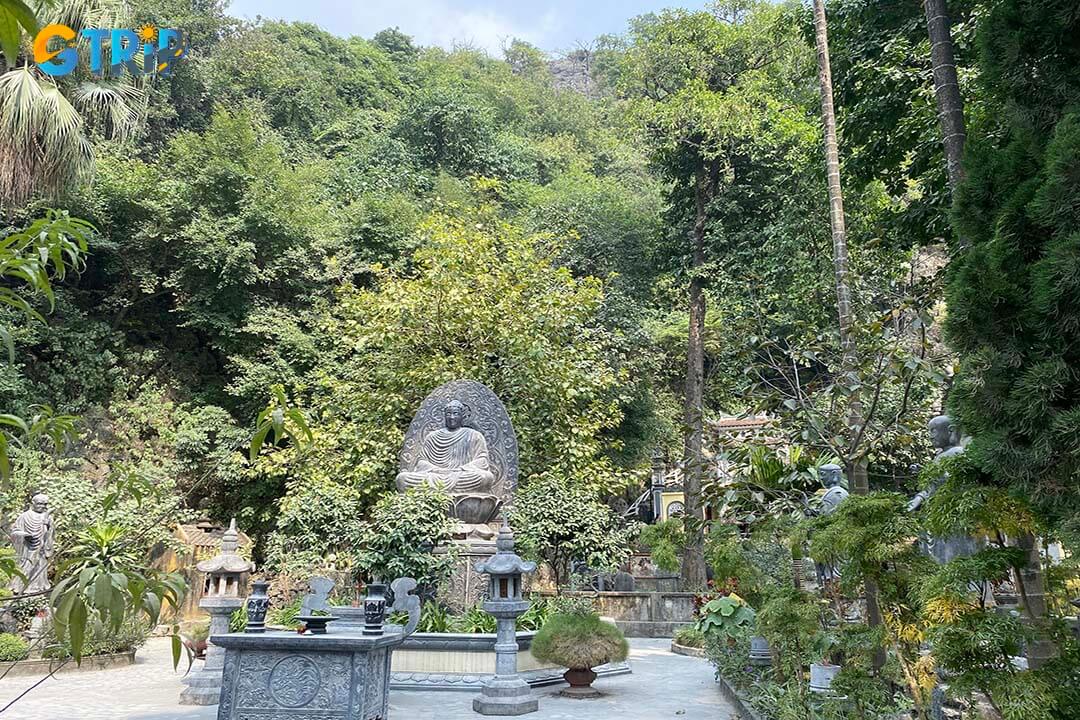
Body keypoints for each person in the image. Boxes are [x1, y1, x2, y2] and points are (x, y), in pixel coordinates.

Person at [396, 399, 496, 493]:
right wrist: (436, 469)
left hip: (460, 474)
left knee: (485, 477)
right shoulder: (432, 436)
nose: (452, 417)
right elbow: (421, 461)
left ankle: (440, 490)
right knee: (402, 478)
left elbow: (482, 460)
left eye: (455, 413)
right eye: (448, 414)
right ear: (444, 416)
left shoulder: (474, 435)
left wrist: (462, 469)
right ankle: (441, 489)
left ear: (462, 416)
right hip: (434, 475)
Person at [10, 493, 54, 595]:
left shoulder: (48, 517)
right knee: (26, 569)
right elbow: (15, 532)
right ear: (33, 503)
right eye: (39, 504)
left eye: (45, 504)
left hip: (41, 552)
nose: (42, 506)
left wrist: (48, 526)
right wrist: (25, 535)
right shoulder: (24, 516)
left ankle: (37, 591)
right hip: (27, 551)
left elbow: (51, 534)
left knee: (39, 571)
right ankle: (20, 588)